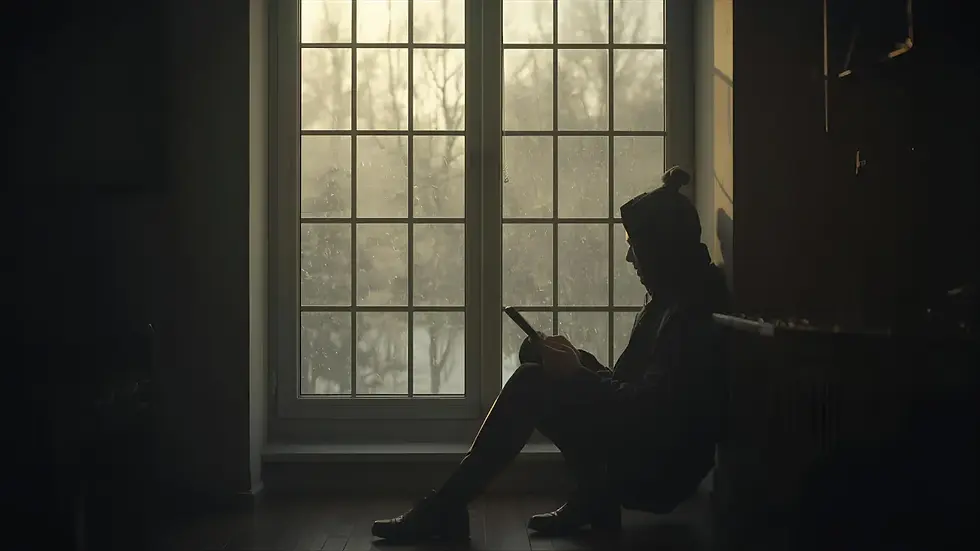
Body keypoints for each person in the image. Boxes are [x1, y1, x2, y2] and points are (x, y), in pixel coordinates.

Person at [371, 167, 732, 544]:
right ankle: (594, 500)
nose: (629, 258)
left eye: (635, 246)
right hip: (653, 454)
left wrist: (578, 374)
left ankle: (444, 509)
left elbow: (650, 409)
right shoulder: (679, 295)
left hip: (660, 471)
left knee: (531, 383)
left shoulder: (689, 313)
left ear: (662, 248)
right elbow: (637, 393)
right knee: (541, 369)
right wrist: (576, 361)